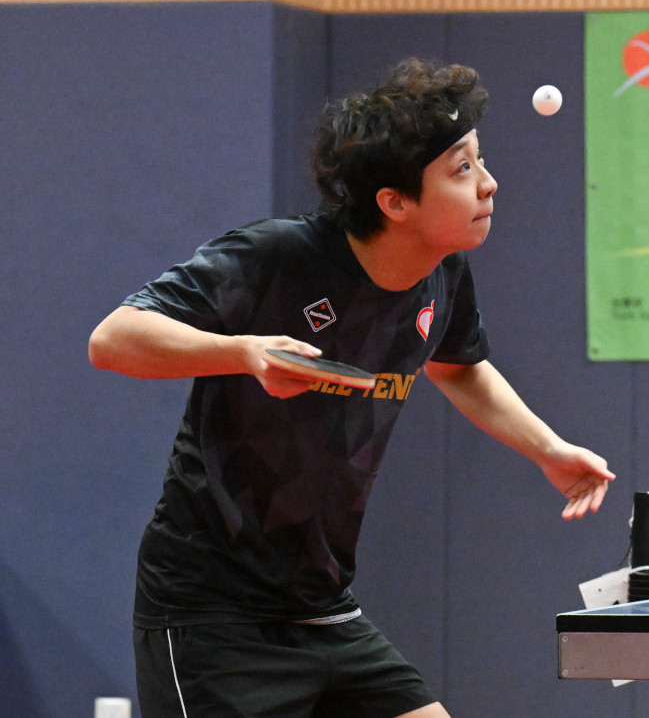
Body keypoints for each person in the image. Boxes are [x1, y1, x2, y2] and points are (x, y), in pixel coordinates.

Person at [88, 59, 614, 718]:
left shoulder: (442, 274)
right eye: (462, 169)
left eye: (479, 161)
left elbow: (457, 365)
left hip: (323, 606)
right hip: (212, 615)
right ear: (395, 202)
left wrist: (547, 449)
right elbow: (113, 338)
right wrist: (242, 351)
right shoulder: (276, 258)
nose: (488, 183)